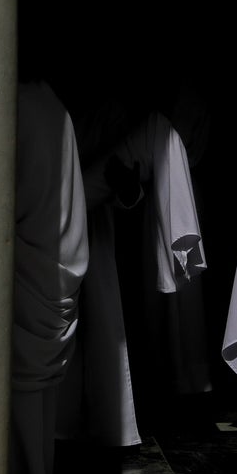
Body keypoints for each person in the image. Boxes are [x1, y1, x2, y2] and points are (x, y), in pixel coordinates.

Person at [55, 98, 207, 450]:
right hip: (69, 218)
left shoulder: (141, 124)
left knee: (104, 324)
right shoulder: (97, 117)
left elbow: (130, 184)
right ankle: (68, 419)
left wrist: (128, 190)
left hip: (94, 224)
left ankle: (95, 419)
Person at [10, 75, 89, 474]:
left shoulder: (17, 105)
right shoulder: (51, 102)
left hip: (31, 261)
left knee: (23, 386)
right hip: (52, 258)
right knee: (36, 393)